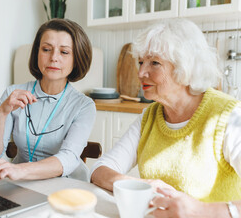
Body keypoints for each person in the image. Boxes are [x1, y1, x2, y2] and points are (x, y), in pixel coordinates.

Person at [91, 18, 241, 218]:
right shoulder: (149, 117)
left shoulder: (228, 116)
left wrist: (199, 211)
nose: (141, 72)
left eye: (154, 63)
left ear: (184, 67)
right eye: (141, 62)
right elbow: (99, 170)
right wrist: (143, 185)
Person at [0, 18, 96, 183]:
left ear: (76, 59)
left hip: (66, 185)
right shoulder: (13, 93)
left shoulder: (84, 106)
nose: (54, 58)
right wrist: (2, 113)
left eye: (64, 52)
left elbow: (68, 158)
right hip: (20, 184)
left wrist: (18, 169)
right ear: (37, 53)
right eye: (46, 49)